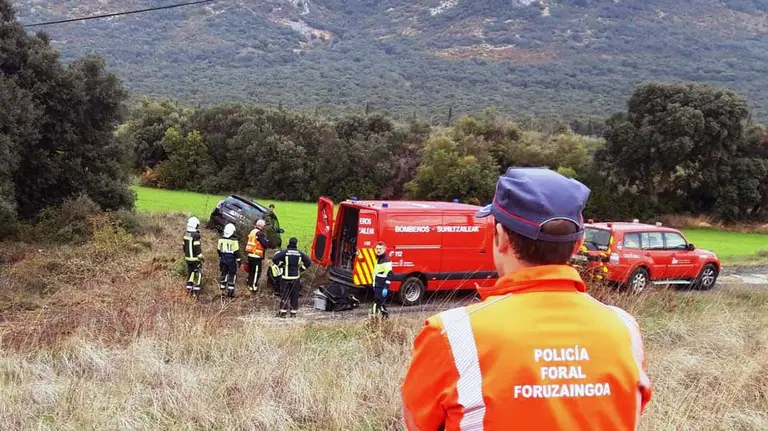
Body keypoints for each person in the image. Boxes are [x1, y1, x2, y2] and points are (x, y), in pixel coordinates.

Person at [400, 167, 652, 430]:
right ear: (578, 245)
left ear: (501, 238)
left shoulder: (451, 335)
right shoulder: (625, 330)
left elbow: (417, 423)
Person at [272, 237, 311, 318]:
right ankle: (293, 313)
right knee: (294, 295)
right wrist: (301, 269)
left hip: (285, 277)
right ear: (296, 244)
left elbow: (275, 258)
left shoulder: (285, 252)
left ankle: (283, 313)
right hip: (295, 278)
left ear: (289, 243)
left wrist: (280, 264)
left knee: (284, 294)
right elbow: (308, 261)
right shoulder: (300, 253)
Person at [217, 223, 242, 298]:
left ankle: (222, 290)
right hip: (231, 259)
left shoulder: (220, 240)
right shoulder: (234, 241)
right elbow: (236, 252)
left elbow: (218, 250)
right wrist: (239, 260)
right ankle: (230, 291)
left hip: (223, 258)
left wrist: (221, 257)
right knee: (232, 274)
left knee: (223, 273)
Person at [245, 219, 270, 293]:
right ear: (262, 226)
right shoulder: (260, 234)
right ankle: (253, 287)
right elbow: (265, 245)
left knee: (251, 271)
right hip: (256, 255)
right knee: (256, 272)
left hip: (250, 254)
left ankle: (249, 285)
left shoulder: (252, 231)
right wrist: (266, 241)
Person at [183, 216, 204, 298]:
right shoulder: (196, 235)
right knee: (197, 274)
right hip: (195, 259)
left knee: (190, 273)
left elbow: (184, 247)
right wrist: (201, 256)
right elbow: (197, 247)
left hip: (188, 258)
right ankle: (196, 291)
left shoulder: (186, 234)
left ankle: (189, 288)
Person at [371, 241, 394, 318]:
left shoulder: (386, 260)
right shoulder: (378, 259)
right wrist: (374, 284)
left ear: (384, 249)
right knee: (381, 303)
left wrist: (386, 287)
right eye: (377, 248)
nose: (378, 250)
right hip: (377, 284)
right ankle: (386, 317)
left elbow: (389, 274)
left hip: (382, 285)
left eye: (380, 249)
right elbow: (376, 273)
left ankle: (373, 318)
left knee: (376, 302)